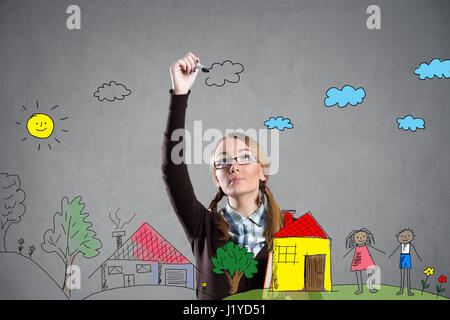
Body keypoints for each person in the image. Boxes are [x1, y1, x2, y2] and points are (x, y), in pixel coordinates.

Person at [162, 52, 284, 300]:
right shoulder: (203, 228)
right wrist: (180, 94)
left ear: (262, 172)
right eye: (223, 162)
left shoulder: (289, 232)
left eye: (245, 158)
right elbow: (172, 172)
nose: (234, 166)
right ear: (217, 179)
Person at [344, 228, 385, 295]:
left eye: (363, 236)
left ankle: (371, 288)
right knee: (358, 272)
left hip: (366, 256)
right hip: (358, 257)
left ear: (366, 237)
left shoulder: (365, 247)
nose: (361, 238)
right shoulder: (357, 248)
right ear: (353, 239)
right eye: (357, 237)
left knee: (370, 271)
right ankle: (360, 289)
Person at [388, 228, 422, 296]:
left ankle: (409, 291)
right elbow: (395, 250)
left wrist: (419, 257)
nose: (405, 238)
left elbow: (415, 251)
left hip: (407, 257)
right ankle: (401, 290)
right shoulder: (400, 245)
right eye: (402, 236)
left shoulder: (410, 245)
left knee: (408, 275)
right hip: (402, 257)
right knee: (402, 275)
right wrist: (391, 255)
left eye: (408, 236)